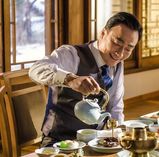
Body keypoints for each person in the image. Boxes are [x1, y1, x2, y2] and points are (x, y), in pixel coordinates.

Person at [29, 12, 143, 147]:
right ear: (103, 34)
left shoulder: (118, 64)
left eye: (129, 48)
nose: (120, 53)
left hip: (96, 142)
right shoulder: (71, 54)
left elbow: (115, 108)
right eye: (117, 42)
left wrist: (117, 137)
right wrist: (70, 79)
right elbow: (36, 69)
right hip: (61, 143)